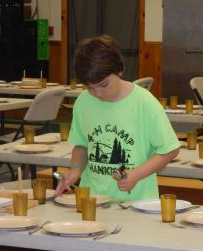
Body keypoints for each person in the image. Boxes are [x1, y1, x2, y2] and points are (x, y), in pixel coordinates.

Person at [55, 35, 180, 202]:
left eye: (104, 85)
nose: (98, 94)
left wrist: (135, 175)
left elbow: (170, 150)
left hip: (137, 202)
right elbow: (82, 145)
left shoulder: (144, 101)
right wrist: (75, 170)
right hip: (93, 200)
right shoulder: (83, 101)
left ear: (119, 71)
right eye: (90, 88)